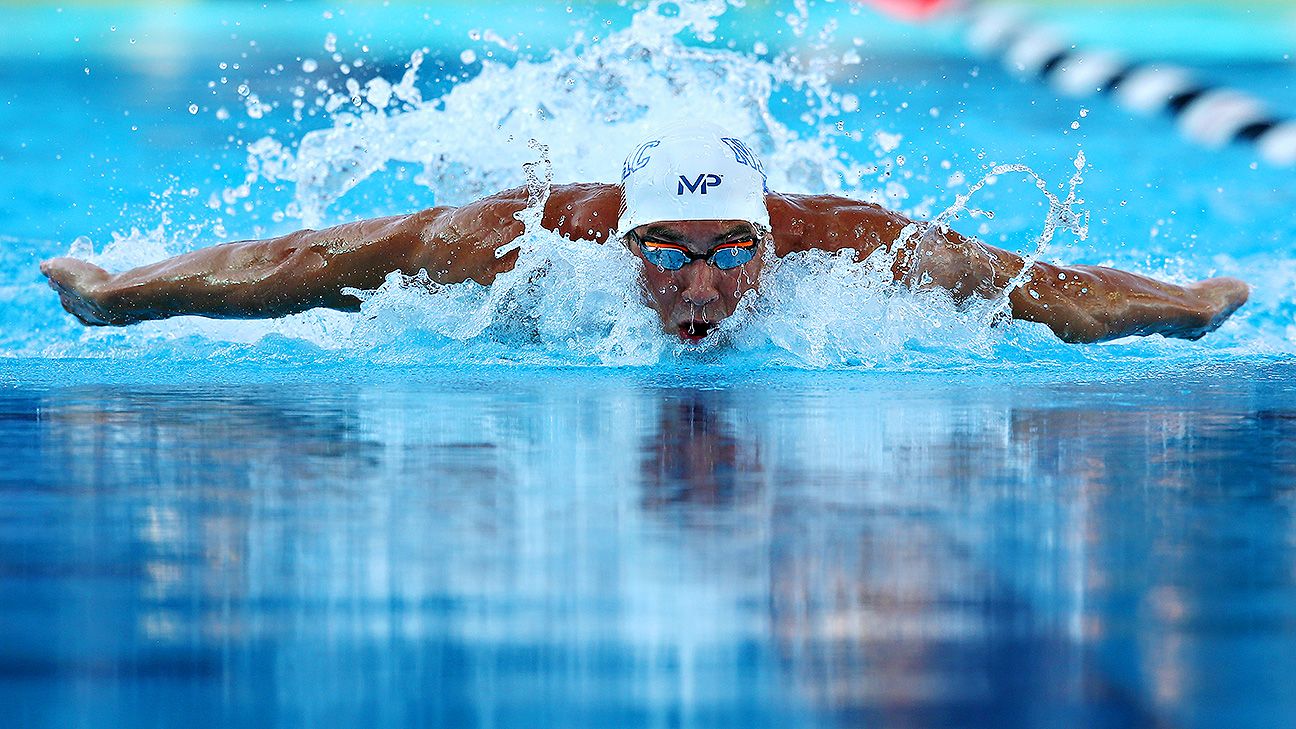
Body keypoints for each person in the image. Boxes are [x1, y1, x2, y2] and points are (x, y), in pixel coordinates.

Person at [40, 123, 1248, 345]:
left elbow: (1052, 290)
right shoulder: (512, 245)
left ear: (769, 240)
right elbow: (301, 266)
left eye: (730, 253)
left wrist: (1187, 306)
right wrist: (122, 293)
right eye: (665, 253)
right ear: (618, 241)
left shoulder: (849, 243)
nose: (702, 286)